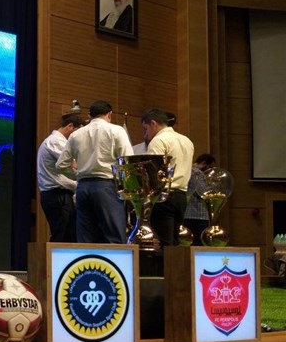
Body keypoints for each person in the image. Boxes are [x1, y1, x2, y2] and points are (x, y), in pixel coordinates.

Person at [56, 100, 134, 244]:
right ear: (109, 114)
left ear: (89, 116)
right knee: (114, 237)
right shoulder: (116, 131)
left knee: (85, 239)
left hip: (82, 188)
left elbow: (60, 165)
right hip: (107, 186)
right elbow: (127, 161)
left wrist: (77, 174)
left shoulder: (76, 134)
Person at [141, 108, 195, 247]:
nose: (146, 134)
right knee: (176, 242)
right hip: (182, 196)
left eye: (146, 129)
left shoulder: (158, 140)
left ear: (153, 123)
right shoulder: (186, 140)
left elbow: (153, 171)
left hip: (164, 196)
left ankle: (164, 262)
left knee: (164, 243)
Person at [37, 112, 85, 242]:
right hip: (57, 196)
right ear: (70, 126)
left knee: (66, 236)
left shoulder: (55, 140)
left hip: (58, 195)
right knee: (62, 237)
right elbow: (74, 166)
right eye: (78, 133)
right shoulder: (56, 141)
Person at [183, 153, 216, 245]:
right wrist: (215, 185)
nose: (210, 171)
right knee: (198, 244)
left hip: (187, 214)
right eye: (210, 167)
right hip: (198, 215)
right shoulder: (197, 173)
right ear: (204, 163)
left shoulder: (187, 170)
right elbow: (203, 192)